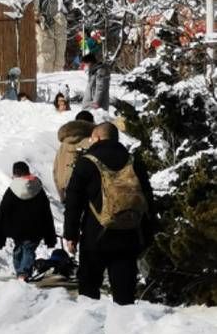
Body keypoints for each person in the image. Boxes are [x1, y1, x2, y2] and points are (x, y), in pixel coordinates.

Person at [64, 122, 156, 305]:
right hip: (128, 235)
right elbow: (147, 200)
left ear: (97, 137)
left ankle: (88, 330)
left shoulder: (86, 163)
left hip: (95, 236)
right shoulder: (133, 162)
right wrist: (147, 235)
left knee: (89, 293)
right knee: (125, 296)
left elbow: (74, 202)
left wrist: (71, 235)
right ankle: (124, 331)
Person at [0, 161, 57, 280]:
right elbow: (47, 213)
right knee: (28, 249)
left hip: (17, 230)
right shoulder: (38, 189)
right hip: (36, 229)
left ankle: (22, 273)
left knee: (19, 249)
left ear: (15, 174)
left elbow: (2, 214)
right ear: (27, 171)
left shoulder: (11, 190)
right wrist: (50, 237)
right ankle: (22, 274)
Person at [52, 109, 94, 201]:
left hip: (67, 192)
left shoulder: (63, 145)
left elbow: (55, 171)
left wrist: (62, 196)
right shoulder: (91, 142)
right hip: (86, 195)